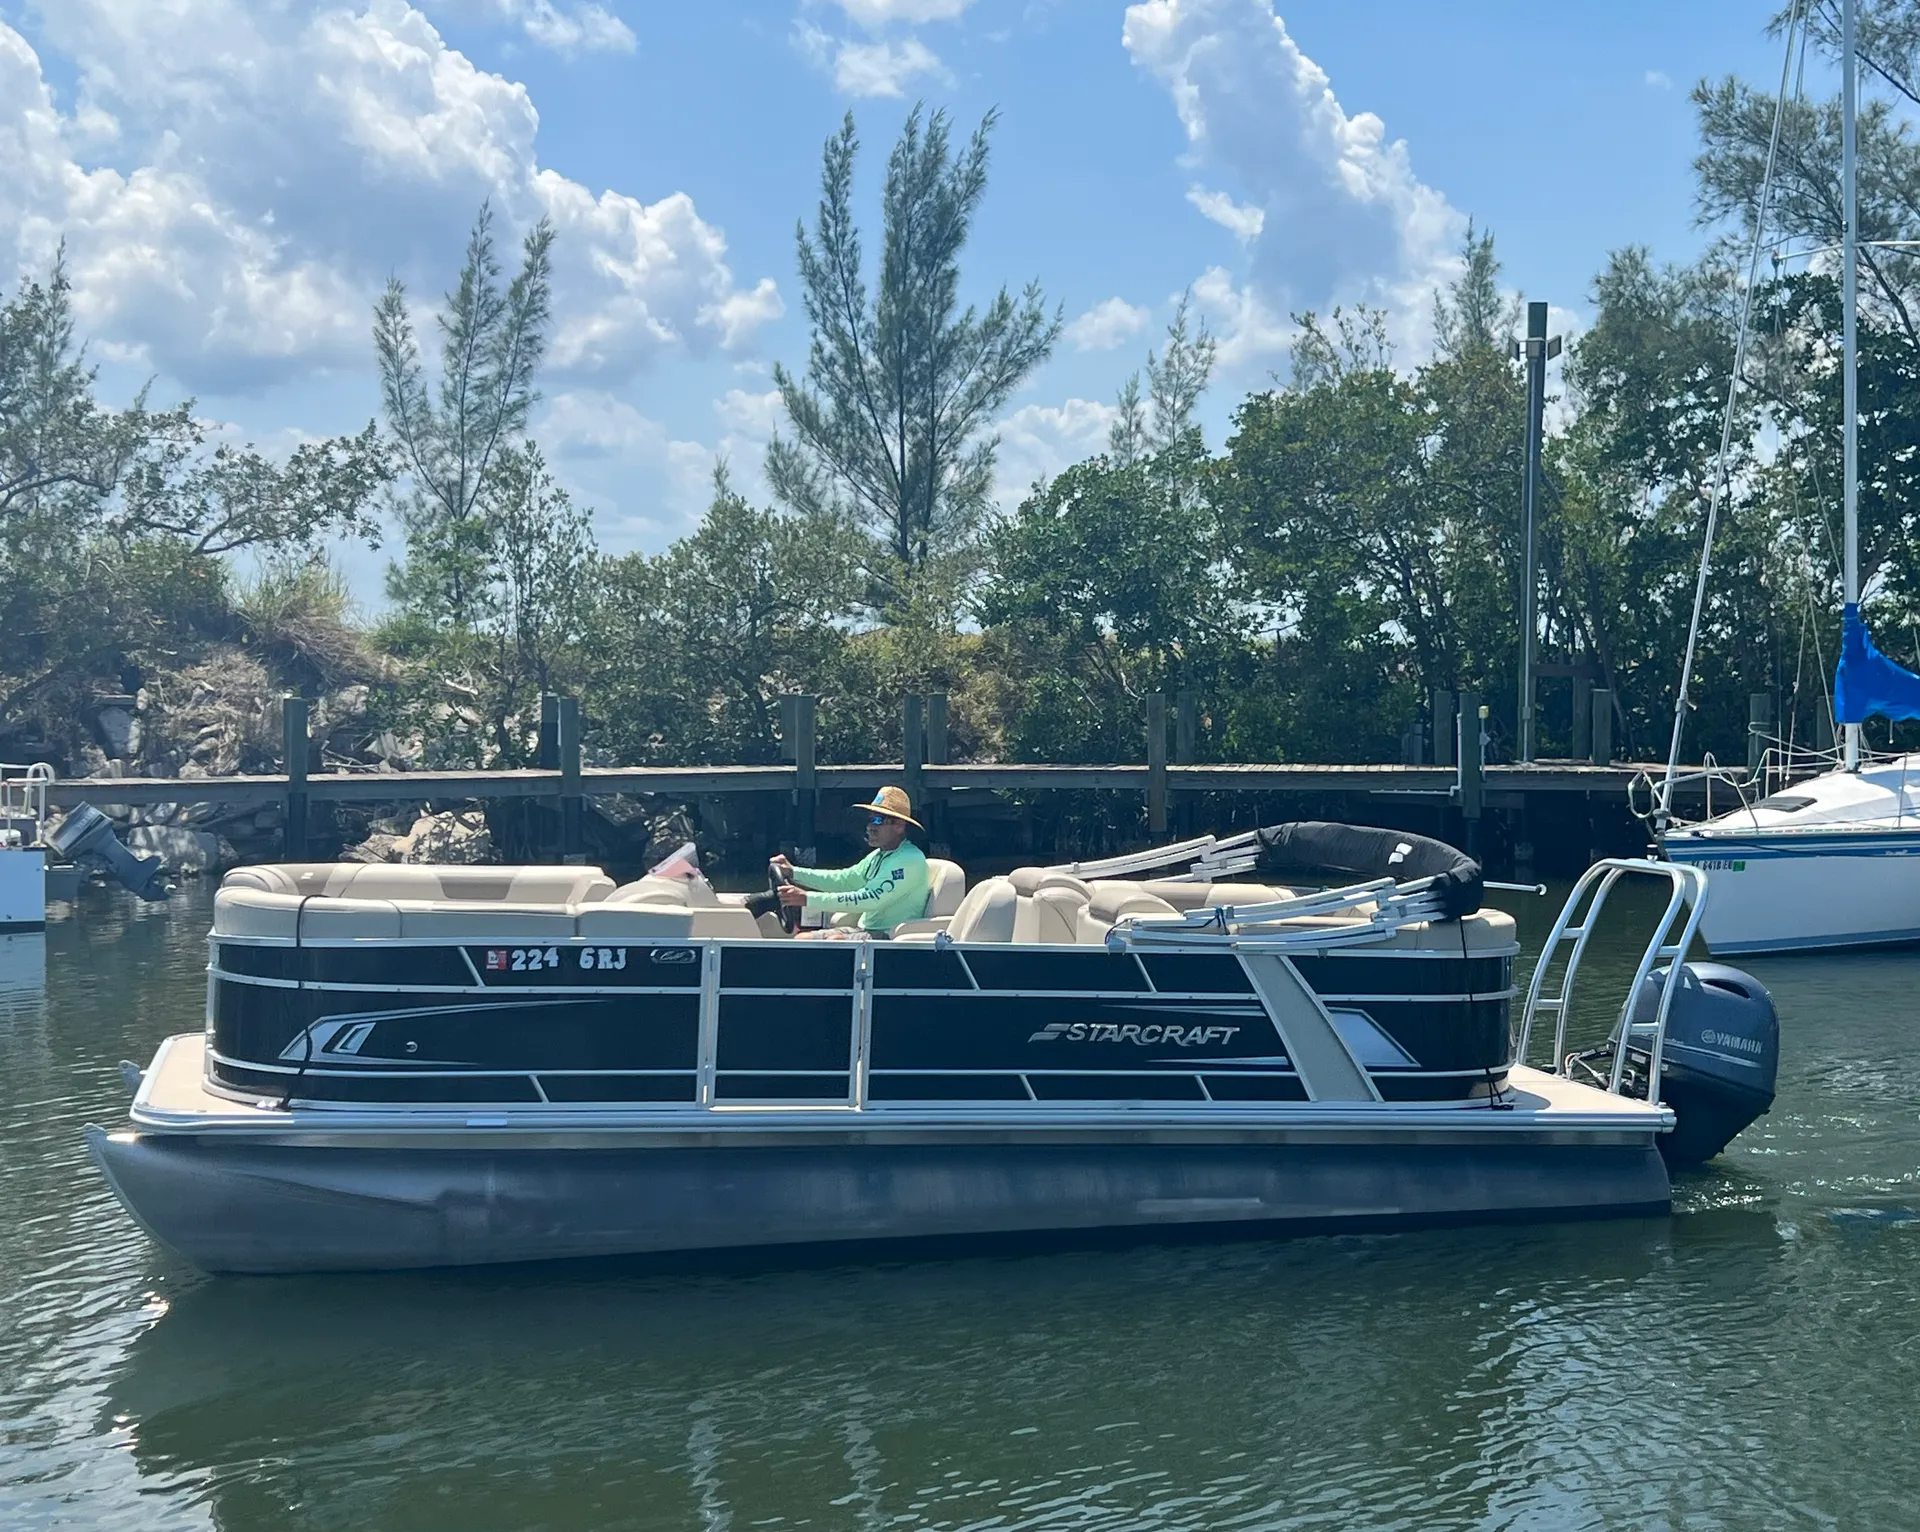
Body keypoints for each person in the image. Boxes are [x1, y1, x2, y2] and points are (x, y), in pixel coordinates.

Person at [748, 787, 930, 938]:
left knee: (830, 943)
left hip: (888, 936)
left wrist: (807, 898)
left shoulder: (909, 860)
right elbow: (844, 879)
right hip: (866, 931)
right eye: (870, 820)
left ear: (899, 826)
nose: (870, 827)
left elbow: (870, 899)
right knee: (803, 938)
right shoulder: (879, 855)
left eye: (878, 820)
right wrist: (794, 873)